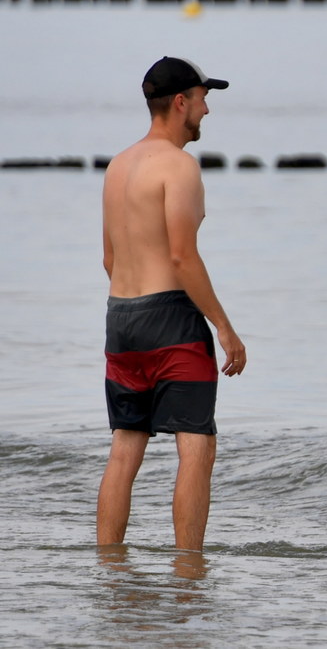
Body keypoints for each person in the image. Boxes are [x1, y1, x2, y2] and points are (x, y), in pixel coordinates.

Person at [96, 56, 245, 552]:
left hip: (121, 318)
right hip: (171, 320)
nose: (207, 110)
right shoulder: (179, 167)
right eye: (204, 99)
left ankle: (109, 567)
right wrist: (223, 327)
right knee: (196, 449)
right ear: (181, 102)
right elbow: (182, 257)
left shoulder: (119, 165)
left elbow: (109, 258)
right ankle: (188, 571)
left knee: (124, 448)